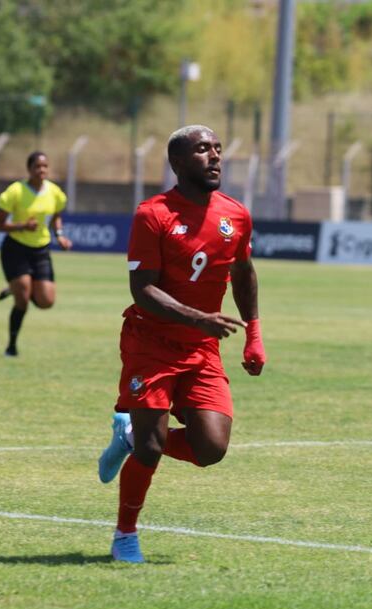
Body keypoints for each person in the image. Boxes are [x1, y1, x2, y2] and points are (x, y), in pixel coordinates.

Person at [96, 125, 267, 563]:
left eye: (217, 149)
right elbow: (142, 289)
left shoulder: (236, 215)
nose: (214, 156)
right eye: (201, 150)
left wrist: (254, 333)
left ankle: (132, 434)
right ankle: (125, 534)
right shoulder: (152, 214)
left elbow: (244, 273)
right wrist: (199, 317)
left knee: (211, 448)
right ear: (177, 163)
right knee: (152, 450)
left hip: (201, 349)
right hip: (150, 342)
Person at [0, 151, 73, 356]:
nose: (42, 170)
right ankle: (11, 346)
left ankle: (16, 288)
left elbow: (56, 215)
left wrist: (60, 235)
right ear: (29, 169)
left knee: (46, 301)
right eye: (37, 166)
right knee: (22, 301)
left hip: (41, 250)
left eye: (45, 166)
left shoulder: (54, 192)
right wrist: (21, 226)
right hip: (16, 249)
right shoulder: (15, 192)